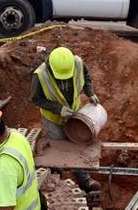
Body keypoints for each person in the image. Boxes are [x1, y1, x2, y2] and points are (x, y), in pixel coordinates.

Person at [31, 46, 101, 192]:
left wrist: (90, 92)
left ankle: (84, 180)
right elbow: (36, 98)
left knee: (77, 146)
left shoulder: (78, 63)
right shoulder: (41, 75)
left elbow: (86, 76)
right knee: (59, 150)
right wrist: (59, 109)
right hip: (53, 120)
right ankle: (57, 184)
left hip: (75, 114)